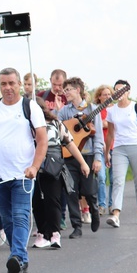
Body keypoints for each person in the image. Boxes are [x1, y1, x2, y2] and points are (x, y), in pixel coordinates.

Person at [0, 68, 48, 273]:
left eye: (11, 83)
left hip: (23, 174)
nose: (7, 88)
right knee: (6, 219)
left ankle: (15, 256)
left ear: (19, 85)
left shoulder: (30, 106)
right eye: (3, 84)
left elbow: (42, 140)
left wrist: (34, 166)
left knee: (20, 215)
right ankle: (20, 259)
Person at [32, 101, 88, 249]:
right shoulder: (24, 125)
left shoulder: (56, 124)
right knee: (37, 201)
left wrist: (83, 162)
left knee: (53, 200)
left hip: (52, 165)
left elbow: (69, 143)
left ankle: (55, 233)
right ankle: (42, 233)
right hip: (31, 166)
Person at [57, 77, 104, 238]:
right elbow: (59, 132)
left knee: (89, 191)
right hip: (69, 157)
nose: (65, 93)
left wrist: (98, 158)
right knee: (71, 191)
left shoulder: (92, 109)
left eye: (68, 90)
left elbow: (99, 138)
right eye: (64, 91)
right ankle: (76, 226)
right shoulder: (64, 111)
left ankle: (94, 209)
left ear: (78, 90)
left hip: (89, 155)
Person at [105, 80, 137, 227]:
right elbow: (110, 134)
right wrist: (107, 152)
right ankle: (116, 214)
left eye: (122, 90)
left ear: (128, 92)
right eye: (116, 90)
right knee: (118, 181)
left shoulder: (136, 107)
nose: (118, 92)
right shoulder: (112, 110)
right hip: (119, 148)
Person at [93, 85, 114, 214]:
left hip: (114, 146)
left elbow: (109, 124)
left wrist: (105, 123)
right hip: (101, 146)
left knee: (113, 178)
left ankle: (112, 204)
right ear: (99, 97)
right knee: (101, 177)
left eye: (109, 94)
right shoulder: (96, 110)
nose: (107, 96)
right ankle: (101, 204)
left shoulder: (115, 109)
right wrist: (105, 123)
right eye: (104, 94)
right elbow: (100, 125)